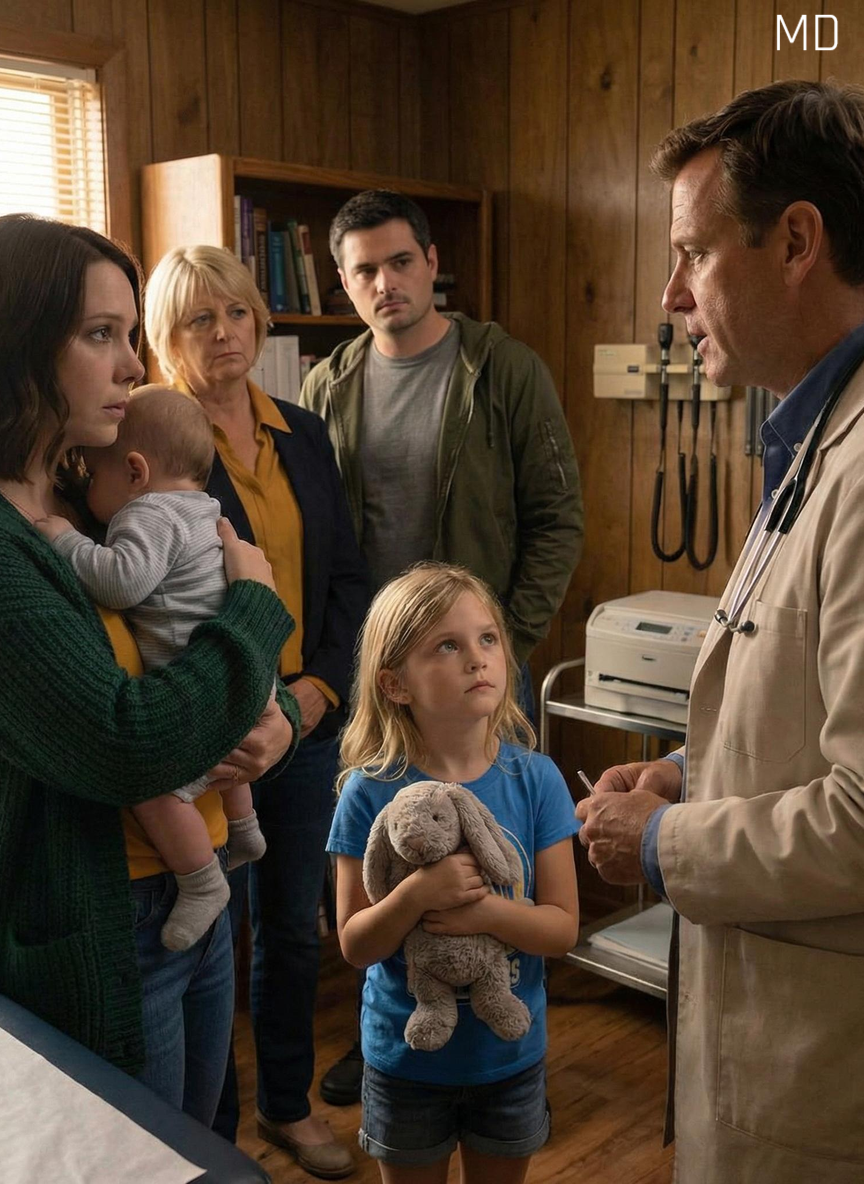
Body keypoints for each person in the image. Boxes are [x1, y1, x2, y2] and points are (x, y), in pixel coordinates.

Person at [576, 80, 864, 1184]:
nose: (670, 295)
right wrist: (687, 775)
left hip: (822, 1072)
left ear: (796, 242)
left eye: (693, 254)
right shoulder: (810, 434)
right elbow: (808, 707)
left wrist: (661, 843)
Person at [0, 213, 296, 1128]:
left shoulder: (95, 500)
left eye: (131, 335)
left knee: (207, 1135)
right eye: (102, 334)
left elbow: (194, 635)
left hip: (199, 882)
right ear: (18, 345)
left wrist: (276, 721)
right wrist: (258, 611)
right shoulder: (12, 551)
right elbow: (126, 740)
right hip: (104, 923)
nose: (134, 365)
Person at [302, 188, 584, 1103]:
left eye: (400, 261)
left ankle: (503, 1050)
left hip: (476, 667)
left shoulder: (501, 368)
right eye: (364, 271)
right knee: (386, 860)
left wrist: (501, 643)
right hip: (380, 678)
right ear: (344, 284)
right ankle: (390, 1039)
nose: (385, 282)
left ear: (431, 264)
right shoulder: (327, 386)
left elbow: (557, 519)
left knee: (498, 865)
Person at [145, 244, 368, 1178]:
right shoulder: (153, 439)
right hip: (216, 733)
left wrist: (320, 688)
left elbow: (347, 578)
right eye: (200, 319)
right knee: (212, 941)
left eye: (236, 312)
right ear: (168, 338)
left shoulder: (303, 431)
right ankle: (217, 1135)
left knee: (292, 929)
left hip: (306, 725)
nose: (224, 333)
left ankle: (286, 1105)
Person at [328, 562, 579, 1184]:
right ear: (395, 684)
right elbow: (355, 944)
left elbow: (562, 929)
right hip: (404, 1061)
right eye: (447, 645)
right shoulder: (367, 793)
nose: (477, 658)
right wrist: (418, 894)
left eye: (487, 638)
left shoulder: (538, 779)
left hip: (510, 1058)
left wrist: (484, 912)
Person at [36, 387, 281, 951]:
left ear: (135, 471)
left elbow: (123, 581)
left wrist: (67, 540)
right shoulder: (206, 510)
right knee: (231, 759)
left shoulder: (148, 513)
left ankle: (201, 880)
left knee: (154, 784)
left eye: (94, 475)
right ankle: (245, 829)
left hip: (200, 682)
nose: (90, 489)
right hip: (248, 676)